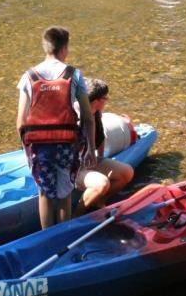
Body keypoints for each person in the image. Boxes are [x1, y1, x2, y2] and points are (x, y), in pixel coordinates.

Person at [17, 26, 96, 229]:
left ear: (45, 47)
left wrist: (27, 151)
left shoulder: (28, 76)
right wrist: (90, 148)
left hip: (39, 146)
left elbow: (21, 122)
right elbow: (88, 117)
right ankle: (63, 235)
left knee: (44, 193)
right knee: (64, 194)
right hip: (66, 144)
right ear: (64, 48)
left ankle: (47, 238)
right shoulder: (74, 74)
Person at [73, 79, 135, 215]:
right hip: (72, 168)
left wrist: (100, 159)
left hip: (87, 160)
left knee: (127, 172)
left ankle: (98, 201)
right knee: (102, 183)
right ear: (96, 100)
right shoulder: (74, 116)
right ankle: (76, 215)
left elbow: (100, 138)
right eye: (105, 98)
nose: (107, 100)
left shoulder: (95, 113)